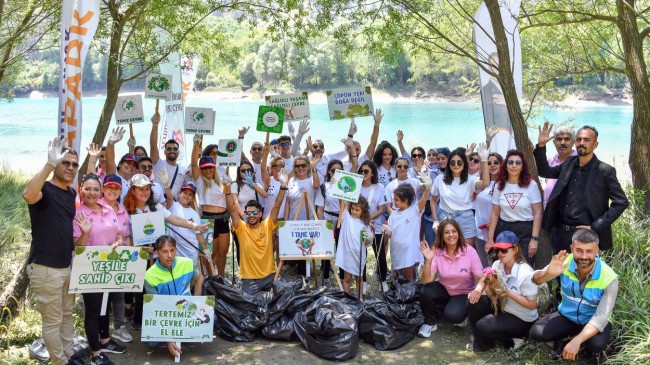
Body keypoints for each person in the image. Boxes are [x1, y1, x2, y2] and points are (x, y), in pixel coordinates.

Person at [123, 174, 208, 330]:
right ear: (133, 190)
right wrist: (136, 246)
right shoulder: (126, 209)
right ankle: (140, 322)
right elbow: (124, 234)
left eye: (147, 189)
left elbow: (174, 219)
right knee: (138, 290)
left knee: (154, 287)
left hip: (154, 256)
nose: (144, 192)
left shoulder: (155, 206)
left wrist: (194, 226)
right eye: (140, 189)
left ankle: (158, 322)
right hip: (135, 256)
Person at [23, 137, 79, 365]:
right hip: (46, 269)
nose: (70, 168)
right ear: (56, 165)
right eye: (65, 162)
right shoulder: (44, 188)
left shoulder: (71, 193)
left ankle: (69, 356)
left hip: (66, 266)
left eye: (74, 164)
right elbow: (28, 195)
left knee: (67, 316)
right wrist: (48, 163)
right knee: (53, 321)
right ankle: (60, 361)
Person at [534, 123, 629, 253]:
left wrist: (596, 226)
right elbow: (545, 172)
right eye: (578, 139)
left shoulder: (605, 171)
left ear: (595, 145)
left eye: (586, 140)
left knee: (584, 273)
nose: (581, 143)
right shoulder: (569, 163)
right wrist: (541, 146)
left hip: (587, 237)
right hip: (561, 235)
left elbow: (621, 202)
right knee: (560, 272)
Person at [529, 229, 618, 365]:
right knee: (537, 332)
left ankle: (587, 350)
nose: (583, 256)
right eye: (579, 250)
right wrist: (548, 273)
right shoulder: (564, 261)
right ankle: (564, 340)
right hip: (567, 316)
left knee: (597, 344)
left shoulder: (609, 277)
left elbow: (601, 319)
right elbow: (536, 280)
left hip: (592, 320)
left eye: (589, 251)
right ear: (571, 248)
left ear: (597, 250)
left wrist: (577, 341)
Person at [73, 174, 127, 365]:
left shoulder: (108, 209)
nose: (92, 193)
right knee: (94, 310)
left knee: (107, 305)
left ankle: (105, 341)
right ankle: (96, 354)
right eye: (88, 189)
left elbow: (118, 233)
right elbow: (77, 248)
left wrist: (120, 241)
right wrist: (86, 233)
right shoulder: (80, 214)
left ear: (101, 191)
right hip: (90, 269)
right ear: (81, 190)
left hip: (110, 267)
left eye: (96, 189)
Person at [466, 231, 539, 352]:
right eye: (497, 250)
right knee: (473, 300)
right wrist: (478, 289)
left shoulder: (525, 273)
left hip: (522, 318)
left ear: (515, 249)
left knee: (483, 326)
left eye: (504, 250)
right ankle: (482, 343)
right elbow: (486, 277)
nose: (500, 253)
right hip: (504, 308)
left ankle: (516, 338)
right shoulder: (497, 264)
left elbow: (532, 305)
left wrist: (508, 292)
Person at [223, 167, 288, 294]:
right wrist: (227, 189)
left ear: (260, 214)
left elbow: (277, 205)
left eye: (255, 212)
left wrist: (283, 186)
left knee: (282, 299)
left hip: (270, 276)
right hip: (249, 280)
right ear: (245, 214)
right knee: (249, 307)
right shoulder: (241, 228)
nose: (251, 215)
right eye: (249, 213)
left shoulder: (268, 225)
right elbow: (232, 209)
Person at [417, 219, 483, 338]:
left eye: (454, 231)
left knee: (453, 315)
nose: (451, 235)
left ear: (459, 233)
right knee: (425, 290)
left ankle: (458, 312)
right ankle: (430, 323)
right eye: (447, 232)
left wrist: (477, 290)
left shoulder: (469, 251)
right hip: (445, 289)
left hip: (463, 293)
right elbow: (427, 280)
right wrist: (428, 261)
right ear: (441, 235)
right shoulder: (437, 251)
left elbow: (480, 277)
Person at [144, 235, 203, 359]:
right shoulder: (149, 276)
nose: (169, 255)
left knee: (207, 325)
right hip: (163, 313)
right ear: (156, 253)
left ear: (176, 250)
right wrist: (168, 339)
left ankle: (183, 334)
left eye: (172, 250)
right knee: (152, 343)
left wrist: (196, 302)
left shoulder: (187, 263)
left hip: (186, 309)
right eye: (164, 251)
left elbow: (199, 278)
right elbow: (155, 307)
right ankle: (176, 337)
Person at [486, 150, 542, 267]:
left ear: (523, 167)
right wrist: (490, 239)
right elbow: (495, 214)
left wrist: (534, 239)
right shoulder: (499, 185)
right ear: (505, 166)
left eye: (518, 163)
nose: (514, 166)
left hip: (526, 230)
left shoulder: (531, 185)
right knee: (505, 265)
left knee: (525, 265)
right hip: (504, 229)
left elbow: (537, 213)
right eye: (510, 162)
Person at [431, 144, 491, 248]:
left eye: (459, 162)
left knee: (467, 252)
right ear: (449, 164)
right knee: (448, 252)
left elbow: (485, 183)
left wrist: (484, 160)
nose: (456, 165)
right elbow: (433, 200)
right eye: (453, 162)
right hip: (446, 218)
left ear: (464, 164)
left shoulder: (470, 179)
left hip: (466, 219)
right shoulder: (440, 179)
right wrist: (435, 220)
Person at [99, 173, 133, 344]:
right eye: (109, 187)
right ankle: (98, 331)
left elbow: (126, 236)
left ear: (120, 190)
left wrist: (125, 247)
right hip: (98, 260)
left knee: (118, 294)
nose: (112, 190)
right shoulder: (95, 206)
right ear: (103, 188)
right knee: (97, 298)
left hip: (118, 259)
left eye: (116, 188)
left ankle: (119, 327)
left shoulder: (123, 211)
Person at [381, 172, 432, 282]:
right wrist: (385, 231)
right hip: (396, 249)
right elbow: (390, 232)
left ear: (406, 201)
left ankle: (410, 296)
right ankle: (397, 293)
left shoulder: (415, 211)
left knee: (409, 275)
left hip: (409, 250)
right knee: (396, 274)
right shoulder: (393, 214)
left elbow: (423, 200)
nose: (394, 202)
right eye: (394, 199)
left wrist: (428, 189)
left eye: (396, 200)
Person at [190, 142, 229, 276]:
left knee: (223, 252)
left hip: (223, 218)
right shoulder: (199, 180)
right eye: (205, 168)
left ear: (214, 167)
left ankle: (221, 278)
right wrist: (195, 145)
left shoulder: (221, 181)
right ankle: (211, 277)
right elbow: (194, 164)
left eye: (210, 167)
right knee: (209, 253)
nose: (208, 170)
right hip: (208, 219)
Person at [357, 160, 388, 291]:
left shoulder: (379, 187)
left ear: (372, 173)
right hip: (359, 226)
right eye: (361, 171)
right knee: (361, 254)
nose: (363, 173)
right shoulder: (356, 186)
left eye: (366, 171)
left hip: (376, 225)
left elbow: (381, 209)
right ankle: (362, 282)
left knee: (380, 255)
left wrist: (369, 217)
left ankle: (383, 281)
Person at [335, 197, 374, 298]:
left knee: (359, 278)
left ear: (363, 211)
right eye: (352, 209)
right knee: (347, 278)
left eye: (357, 210)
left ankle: (359, 298)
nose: (354, 211)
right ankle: (346, 298)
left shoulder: (365, 224)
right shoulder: (347, 217)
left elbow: (368, 243)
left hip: (359, 255)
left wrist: (369, 238)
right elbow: (342, 201)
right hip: (348, 254)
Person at [166, 182, 210, 268]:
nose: (187, 196)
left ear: (193, 198)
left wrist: (206, 250)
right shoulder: (173, 206)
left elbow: (199, 235)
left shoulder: (194, 214)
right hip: (174, 252)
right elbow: (170, 197)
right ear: (179, 193)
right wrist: (166, 187)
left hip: (190, 252)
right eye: (184, 192)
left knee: (191, 278)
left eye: (190, 194)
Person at [472, 152, 503, 266]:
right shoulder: (481, 183)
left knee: (498, 267)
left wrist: (496, 220)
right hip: (479, 232)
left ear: (501, 164)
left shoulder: (505, 184)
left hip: (497, 231)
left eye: (496, 162)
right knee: (484, 267)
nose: (492, 165)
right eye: (489, 163)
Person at [150, 113, 187, 198]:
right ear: (164, 151)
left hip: (175, 206)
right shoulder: (158, 163)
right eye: (169, 149)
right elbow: (153, 146)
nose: (172, 151)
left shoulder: (183, 170)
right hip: (158, 204)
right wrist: (155, 125)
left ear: (178, 152)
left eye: (174, 149)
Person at [543, 125, 577, 209]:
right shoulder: (551, 160)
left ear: (573, 142)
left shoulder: (579, 160)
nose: (562, 143)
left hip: (569, 214)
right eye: (559, 139)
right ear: (554, 142)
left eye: (567, 139)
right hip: (548, 210)